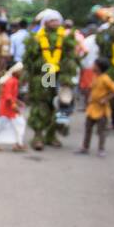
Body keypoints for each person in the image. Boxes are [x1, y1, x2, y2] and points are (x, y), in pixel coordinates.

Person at [22, 9, 80, 151]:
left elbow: (70, 58)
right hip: (45, 74)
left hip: (60, 75)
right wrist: (27, 78)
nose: (55, 23)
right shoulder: (37, 38)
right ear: (45, 22)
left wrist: (67, 77)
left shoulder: (65, 38)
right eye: (52, 20)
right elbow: (29, 61)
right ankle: (38, 136)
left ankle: (52, 135)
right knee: (42, 106)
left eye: (57, 20)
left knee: (59, 107)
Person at [75, 57, 114, 157]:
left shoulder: (105, 78)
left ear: (99, 67)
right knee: (88, 128)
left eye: (94, 65)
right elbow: (92, 87)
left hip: (101, 109)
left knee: (101, 130)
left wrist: (106, 99)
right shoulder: (96, 77)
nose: (92, 66)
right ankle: (85, 147)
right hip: (92, 108)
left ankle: (101, 149)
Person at [0, 62, 26, 152]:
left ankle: (18, 143)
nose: (22, 73)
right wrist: (14, 105)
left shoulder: (13, 80)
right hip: (7, 109)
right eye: (21, 71)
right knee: (12, 124)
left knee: (17, 124)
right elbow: (8, 96)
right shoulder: (11, 81)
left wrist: (18, 102)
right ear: (16, 71)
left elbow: (11, 96)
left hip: (9, 108)